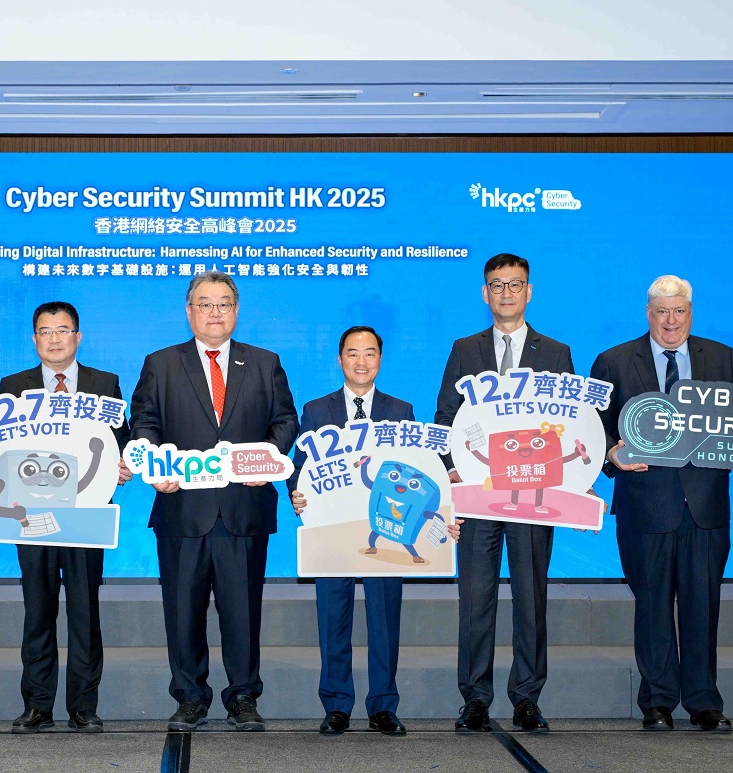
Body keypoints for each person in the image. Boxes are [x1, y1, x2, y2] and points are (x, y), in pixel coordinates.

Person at [130, 271, 298, 732]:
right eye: (205, 304)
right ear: (189, 312)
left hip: (244, 510)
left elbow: (285, 422)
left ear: (236, 311)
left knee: (243, 612)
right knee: (182, 611)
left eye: (224, 303)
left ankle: (243, 696)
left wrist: (262, 461)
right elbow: (143, 423)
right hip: (182, 509)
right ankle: (189, 697)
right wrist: (154, 467)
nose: (215, 312)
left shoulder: (264, 363)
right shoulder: (161, 363)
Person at [591, 275, 733, 732]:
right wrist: (610, 455)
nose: (671, 321)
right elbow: (589, 427)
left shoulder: (721, 358)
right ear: (648, 313)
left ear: (691, 313)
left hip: (705, 506)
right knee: (653, 605)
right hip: (644, 503)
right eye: (662, 312)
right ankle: (656, 700)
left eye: (679, 311)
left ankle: (704, 701)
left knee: (703, 605)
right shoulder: (614, 361)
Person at [435, 253, 573, 734]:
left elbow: (573, 425)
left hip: (535, 498)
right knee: (475, 598)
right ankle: (475, 697)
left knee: (531, 597)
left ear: (529, 291)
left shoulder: (556, 353)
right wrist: (451, 469)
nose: (507, 293)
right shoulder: (464, 349)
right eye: (497, 285)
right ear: (484, 293)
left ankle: (527, 698)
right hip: (477, 495)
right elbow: (445, 419)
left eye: (515, 285)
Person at [0, 301, 131, 734]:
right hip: (30, 517)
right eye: (45, 331)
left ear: (78, 336)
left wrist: (125, 465)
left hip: (86, 514)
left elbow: (121, 443)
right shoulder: (12, 386)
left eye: (63, 330)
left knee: (84, 612)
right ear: (34, 339)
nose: (54, 339)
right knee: (37, 610)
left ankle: (83, 706)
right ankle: (37, 704)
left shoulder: (103, 384)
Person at [288, 326, 416, 736]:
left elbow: (415, 468)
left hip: (386, 529)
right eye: (353, 354)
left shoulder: (401, 410)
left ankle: (383, 705)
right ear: (340, 359)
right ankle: (337, 704)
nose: (361, 362)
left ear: (381, 359)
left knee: (384, 618)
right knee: (333, 617)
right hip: (332, 528)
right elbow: (299, 464)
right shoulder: (316, 410)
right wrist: (297, 494)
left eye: (370, 353)